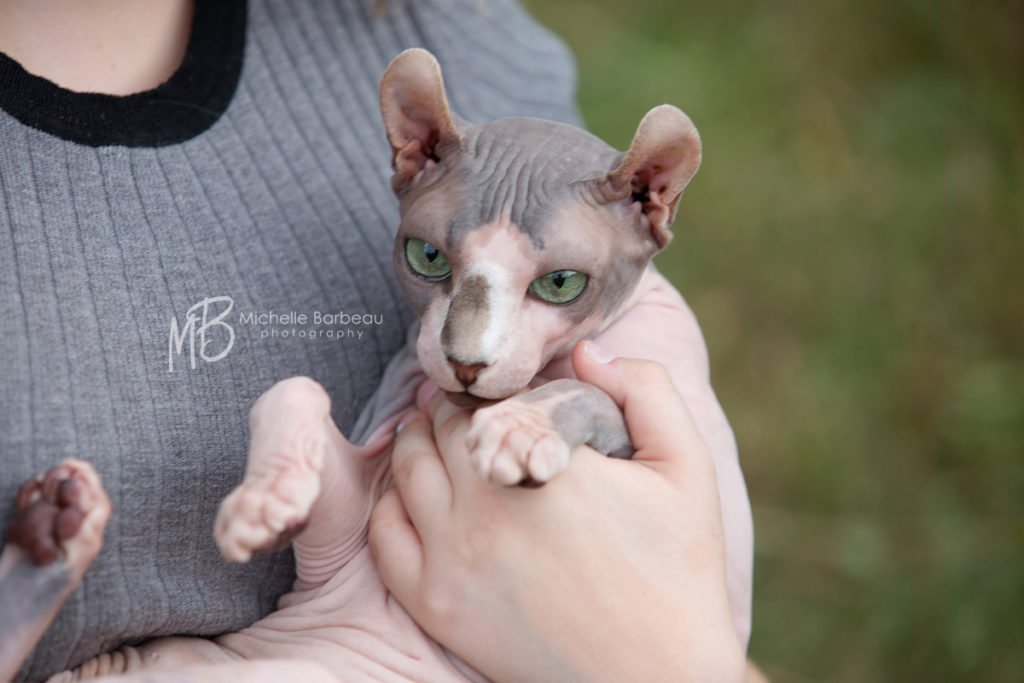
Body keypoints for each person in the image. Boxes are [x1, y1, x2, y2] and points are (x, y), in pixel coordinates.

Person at [0, 0, 752, 679]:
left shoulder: (462, 30)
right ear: (412, 153)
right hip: (311, 630)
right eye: (432, 261)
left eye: (556, 286)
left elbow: (662, 498)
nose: (469, 349)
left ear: (654, 201)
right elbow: (351, 533)